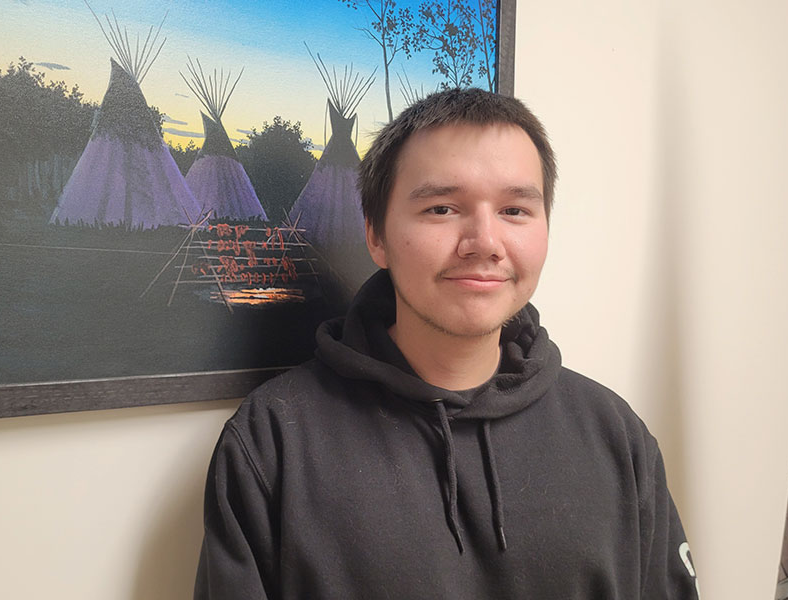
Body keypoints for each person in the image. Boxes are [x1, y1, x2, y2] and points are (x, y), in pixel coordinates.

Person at [194, 88, 699, 599]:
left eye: (515, 210)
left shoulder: (615, 435)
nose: (484, 242)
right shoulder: (272, 441)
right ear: (376, 235)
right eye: (441, 208)